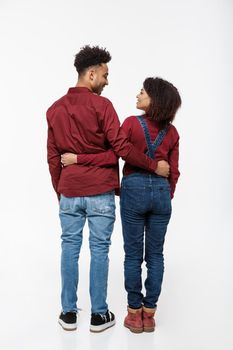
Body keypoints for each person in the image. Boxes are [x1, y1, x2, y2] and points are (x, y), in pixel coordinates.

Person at [46, 46, 170, 333]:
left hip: (69, 191)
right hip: (100, 191)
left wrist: (61, 190)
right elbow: (121, 149)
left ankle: (68, 314)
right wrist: (153, 166)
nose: (107, 81)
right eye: (104, 74)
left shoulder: (54, 109)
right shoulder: (103, 107)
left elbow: (53, 157)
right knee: (99, 250)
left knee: (69, 248)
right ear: (91, 74)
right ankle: (99, 315)